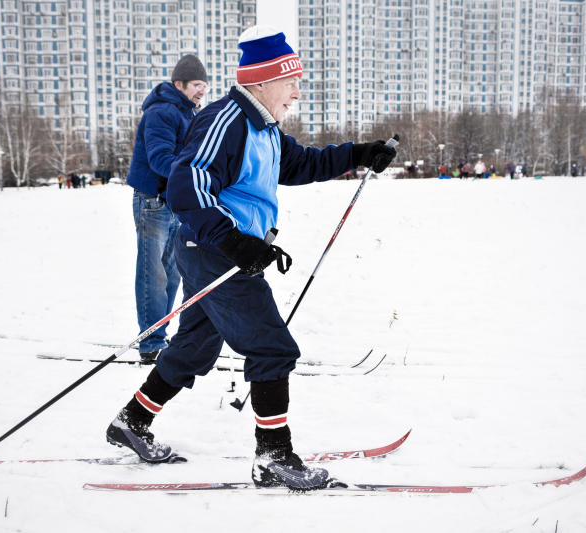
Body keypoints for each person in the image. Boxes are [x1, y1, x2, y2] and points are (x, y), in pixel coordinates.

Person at [105, 26, 397, 491]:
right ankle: (274, 456)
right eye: (291, 83)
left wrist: (361, 154)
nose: (297, 93)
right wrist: (235, 241)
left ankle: (131, 422)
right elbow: (187, 184)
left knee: (194, 346)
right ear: (262, 82)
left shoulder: (264, 128)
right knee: (271, 346)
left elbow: (301, 164)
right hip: (217, 251)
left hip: (219, 250)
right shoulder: (227, 121)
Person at [125, 55, 208, 364]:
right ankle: (150, 343)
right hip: (152, 202)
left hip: (173, 202)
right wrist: (195, 172)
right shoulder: (162, 112)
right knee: (153, 274)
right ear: (179, 84)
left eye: (204, 85)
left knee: (173, 273)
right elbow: (161, 158)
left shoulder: (188, 112)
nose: (202, 91)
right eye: (197, 85)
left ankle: (158, 332)